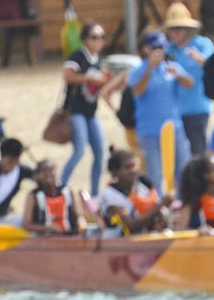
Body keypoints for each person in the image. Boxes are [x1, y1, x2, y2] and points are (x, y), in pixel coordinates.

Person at [59, 21, 125, 196]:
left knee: (100, 152)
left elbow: (102, 88)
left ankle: (95, 194)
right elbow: (67, 76)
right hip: (75, 111)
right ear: (85, 39)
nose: (98, 41)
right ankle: (60, 186)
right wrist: (88, 78)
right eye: (94, 37)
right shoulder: (78, 56)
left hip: (90, 112)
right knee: (79, 150)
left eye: (102, 37)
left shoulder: (98, 60)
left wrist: (109, 83)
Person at [128, 29, 192, 198]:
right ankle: (158, 212)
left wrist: (178, 74)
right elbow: (137, 92)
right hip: (149, 132)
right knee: (154, 176)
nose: (159, 51)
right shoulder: (137, 70)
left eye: (162, 47)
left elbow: (189, 83)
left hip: (174, 129)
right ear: (145, 49)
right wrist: (149, 68)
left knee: (183, 172)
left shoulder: (172, 67)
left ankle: (182, 208)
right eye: (155, 47)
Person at [162, 4, 214, 159]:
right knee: (178, 157)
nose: (175, 32)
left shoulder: (202, 44)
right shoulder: (168, 50)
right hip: (175, 111)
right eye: (172, 28)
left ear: (187, 28)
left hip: (197, 108)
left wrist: (199, 58)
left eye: (179, 27)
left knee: (198, 155)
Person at [95, 148, 167, 235]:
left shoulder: (143, 187)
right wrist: (161, 205)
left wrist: (161, 215)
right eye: (128, 167)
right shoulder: (110, 194)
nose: (133, 171)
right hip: (117, 240)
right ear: (115, 172)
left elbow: (155, 211)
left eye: (134, 166)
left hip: (143, 238)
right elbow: (130, 225)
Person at [22, 159, 80, 234]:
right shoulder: (33, 196)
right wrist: (47, 227)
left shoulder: (68, 191)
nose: (48, 173)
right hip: (43, 240)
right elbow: (26, 225)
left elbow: (79, 216)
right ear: (38, 175)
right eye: (44, 171)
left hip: (69, 237)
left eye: (51, 169)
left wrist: (80, 222)